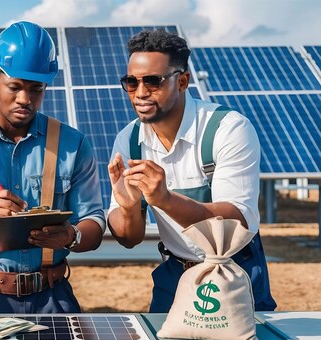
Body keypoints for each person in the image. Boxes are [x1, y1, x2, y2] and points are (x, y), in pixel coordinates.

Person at [0, 21, 105, 314]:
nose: (25, 99)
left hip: (53, 297)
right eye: (15, 87)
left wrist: (71, 235)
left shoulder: (73, 144)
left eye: (36, 89)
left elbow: (95, 223)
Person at [107, 29, 276, 313]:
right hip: (175, 274)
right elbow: (129, 239)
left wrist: (165, 200)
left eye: (152, 81)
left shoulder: (227, 129)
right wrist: (128, 209)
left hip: (235, 269)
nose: (140, 92)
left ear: (183, 81)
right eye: (131, 82)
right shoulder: (129, 140)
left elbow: (238, 220)